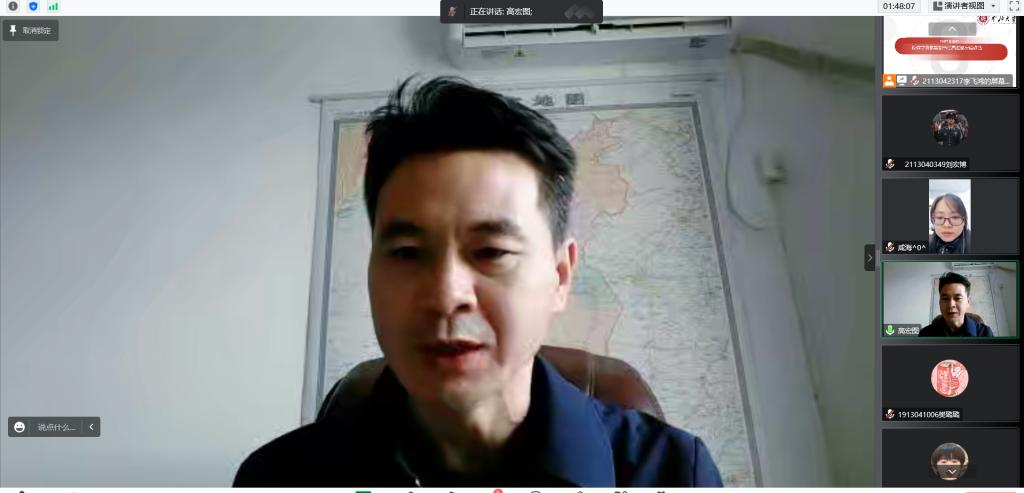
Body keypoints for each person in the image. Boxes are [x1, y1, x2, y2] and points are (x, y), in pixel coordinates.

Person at [233, 77, 723, 487]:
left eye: (491, 252)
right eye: (407, 253)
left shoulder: (676, 472)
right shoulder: (277, 477)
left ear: (559, 275)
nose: (446, 294)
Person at [918, 272, 994, 337]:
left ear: (968, 302)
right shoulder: (925, 334)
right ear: (939, 302)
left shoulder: (984, 333)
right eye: (945, 298)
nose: (951, 305)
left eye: (958, 298)